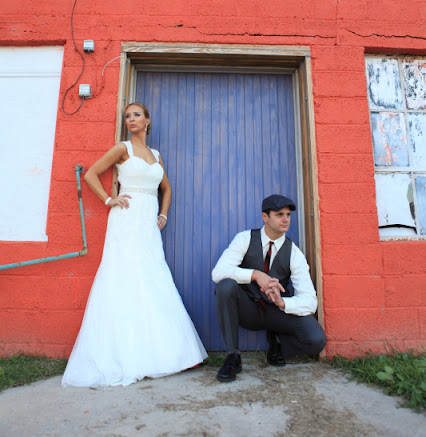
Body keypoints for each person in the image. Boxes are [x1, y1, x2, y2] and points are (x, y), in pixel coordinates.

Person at [62, 102, 207, 387]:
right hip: (126, 219)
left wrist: (163, 213)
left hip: (148, 223)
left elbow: (166, 188)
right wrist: (109, 199)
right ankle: (123, 353)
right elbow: (91, 174)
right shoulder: (122, 149)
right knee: (123, 276)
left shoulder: (155, 155)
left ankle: (163, 353)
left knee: (152, 275)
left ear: (147, 121)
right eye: (127, 116)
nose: (131, 119)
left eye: (136, 115)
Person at [212, 194, 326, 382]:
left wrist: (283, 303)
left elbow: (310, 301)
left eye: (288, 215)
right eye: (279, 214)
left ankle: (278, 342)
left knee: (316, 340)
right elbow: (218, 272)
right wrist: (255, 275)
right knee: (225, 286)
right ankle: (233, 356)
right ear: (265, 217)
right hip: (249, 309)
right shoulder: (245, 239)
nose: (285, 219)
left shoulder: (294, 253)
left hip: (276, 312)